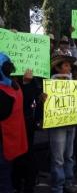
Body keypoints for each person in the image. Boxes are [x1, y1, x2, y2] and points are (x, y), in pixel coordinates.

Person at [47, 55, 77, 193]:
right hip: (57, 125)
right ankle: (57, 188)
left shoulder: (73, 84)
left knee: (68, 156)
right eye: (66, 66)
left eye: (70, 66)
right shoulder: (49, 84)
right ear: (57, 68)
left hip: (71, 123)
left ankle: (68, 183)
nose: (69, 69)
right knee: (59, 158)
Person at [0, 53, 28, 193]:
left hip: (4, 142)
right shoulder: (15, 86)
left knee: (3, 177)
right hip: (12, 141)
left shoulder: (3, 93)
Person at [12, 69, 41, 193]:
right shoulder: (10, 81)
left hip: (28, 122)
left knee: (27, 152)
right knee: (17, 155)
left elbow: (33, 99)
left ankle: (28, 183)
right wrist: (24, 83)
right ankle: (17, 183)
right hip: (14, 123)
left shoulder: (35, 80)